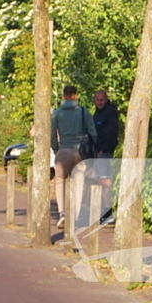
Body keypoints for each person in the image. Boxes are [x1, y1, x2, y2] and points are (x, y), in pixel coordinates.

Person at [50, 84, 97, 230]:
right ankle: (74, 216)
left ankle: (62, 213)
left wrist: (57, 149)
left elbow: (52, 135)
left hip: (63, 150)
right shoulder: (83, 112)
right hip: (80, 152)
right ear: (76, 96)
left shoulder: (57, 113)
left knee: (59, 181)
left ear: (64, 96)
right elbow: (93, 133)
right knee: (78, 182)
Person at [93, 89, 120, 224]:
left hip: (104, 152)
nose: (99, 102)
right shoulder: (98, 112)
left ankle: (108, 212)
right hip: (97, 152)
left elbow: (111, 133)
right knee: (99, 180)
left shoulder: (110, 113)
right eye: (97, 100)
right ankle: (103, 210)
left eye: (102, 100)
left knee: (105, 180)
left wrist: (104, 149)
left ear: (106, 99)